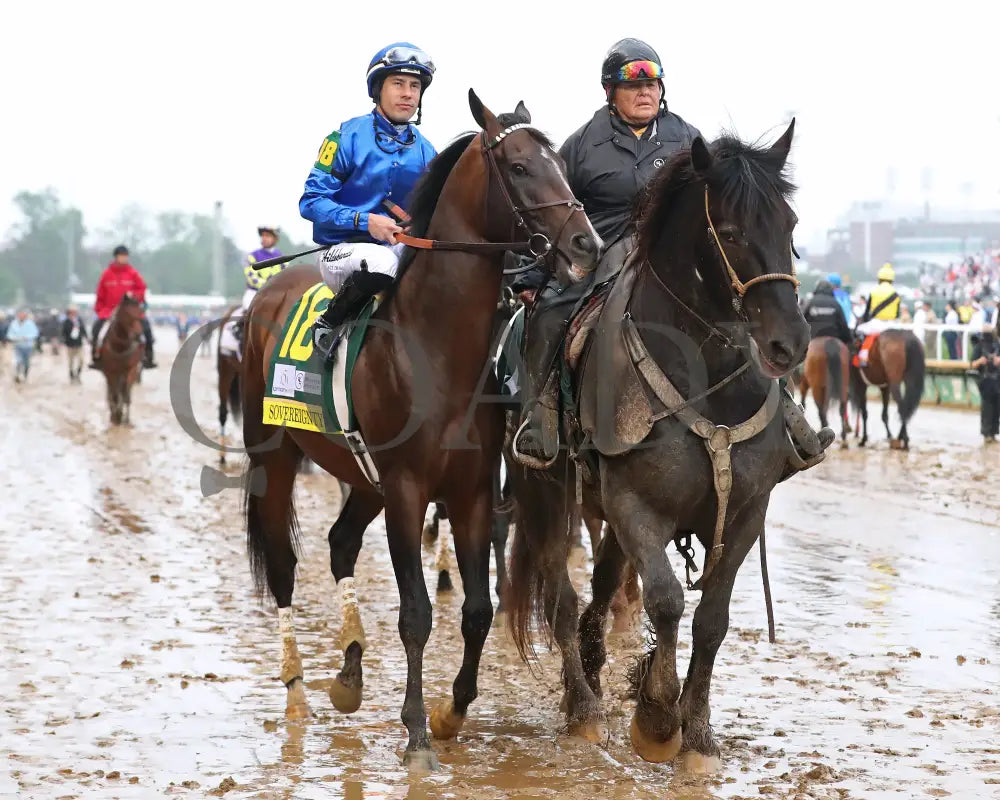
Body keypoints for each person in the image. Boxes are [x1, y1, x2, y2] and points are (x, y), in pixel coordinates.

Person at [514, 37, 702, 463]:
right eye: (634, 86)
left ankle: (784, 415)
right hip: (598, 258)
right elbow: (552, 213)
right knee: (547, 314)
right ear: (610, 92)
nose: (646, 93)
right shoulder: (580, 145)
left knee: (745, 308)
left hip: (674, 259)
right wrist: (532, 275)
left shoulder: (688, 139)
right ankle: (542, 416)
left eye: (653, 85)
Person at [301, 42, 437, 358]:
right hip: (340, 252)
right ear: (378, 88)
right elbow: (311, 202)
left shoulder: (427, 150)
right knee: (384, 263)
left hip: (397, 248)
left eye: (415, 86)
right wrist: (366, 221)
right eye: (398, 84)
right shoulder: (344, 137)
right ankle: (326, 323)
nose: (408, 94)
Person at [89, 245, 157, 369]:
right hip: (110, 312)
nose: (124, 259)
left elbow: (142, 289)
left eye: (125, 256)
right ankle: (96, 356)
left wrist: (134, 294)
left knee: (146, 329)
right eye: (121, 256)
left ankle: (149, 356)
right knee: (96, 330)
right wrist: (102, 312)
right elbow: (100, 296)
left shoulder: (133, 274)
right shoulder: (106, 275)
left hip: (130, 312)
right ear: (116, 257)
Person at [242, 226, 284, 311]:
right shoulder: (252, 256)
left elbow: (284, 278)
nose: (264, 238)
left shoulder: (282, 258)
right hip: (254, 292)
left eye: (267, 236)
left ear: (275, 238)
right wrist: (268, 286)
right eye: (263, 235)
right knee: (247, 309)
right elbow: (251, 278)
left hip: (275, 293)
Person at [970, 323, 1000, 443]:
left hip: (997, 380)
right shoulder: (979, 346)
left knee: (997, 408)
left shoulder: (997, 345)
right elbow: (972, 364)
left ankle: (993, 433)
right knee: (987, 408)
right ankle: (986, 434)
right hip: (985, 380)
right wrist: (980, 361)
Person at [855, 262, 901, 336]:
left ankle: (865, 348)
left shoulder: (873, 292)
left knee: (859, 330)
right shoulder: (896, 294)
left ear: (879, 279)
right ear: (892, 280)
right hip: (892, 325)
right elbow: (897, 315)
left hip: (876, 324)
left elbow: (867, 313)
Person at [801, 279, 851, 344]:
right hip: (833, 339)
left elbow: (801, 322)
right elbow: (843, 324)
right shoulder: (836, 303)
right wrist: (848, 340)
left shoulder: (810, 302)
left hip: (813, 338)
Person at [8, 309, 38, 383]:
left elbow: (35, 333)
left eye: (23, 315)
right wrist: (14, 338)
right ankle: (18, 374)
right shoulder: (14, 323)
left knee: (27, 362)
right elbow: (9, 334)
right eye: (20, 315)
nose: (21, 316)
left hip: (28, 346)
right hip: (18, 345)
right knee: (18, 360)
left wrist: (27, 337)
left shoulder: (30, 323)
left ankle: (25, 375)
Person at [62, 304, 88, 382]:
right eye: (72, 312)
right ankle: (71, 374)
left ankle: (78, 373)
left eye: (75, 312)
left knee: (81, 360)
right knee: (71, 362)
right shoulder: (66, 322)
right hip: (70, 345)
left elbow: (83, 329)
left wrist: (86, 337)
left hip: (79, 344)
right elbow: (63, 332)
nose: (73, 313)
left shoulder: (79, 320)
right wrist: (64, 341)